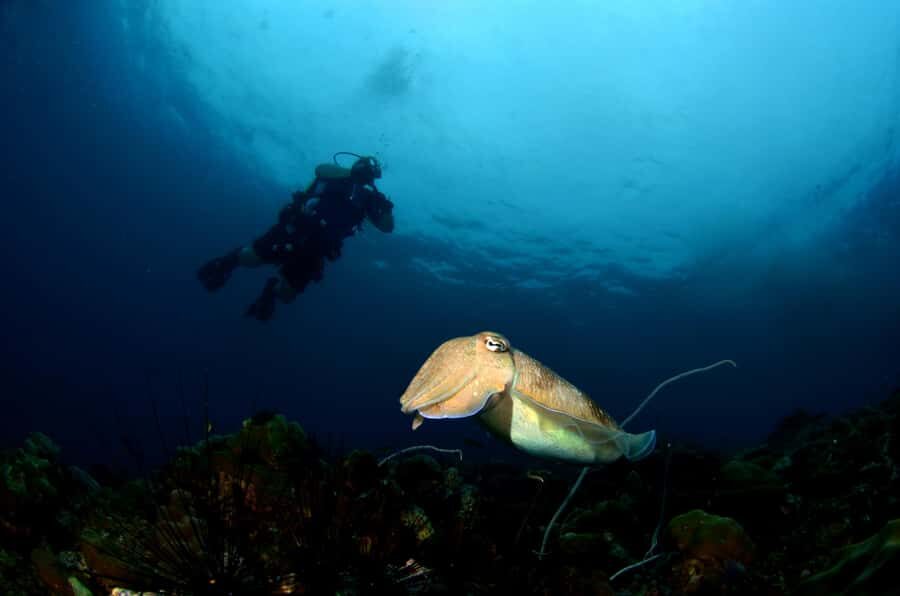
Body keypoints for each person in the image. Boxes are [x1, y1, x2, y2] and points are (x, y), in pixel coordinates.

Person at [197, 153, 395, 321]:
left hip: (317, 250)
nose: (367, 170)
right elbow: (320, 169)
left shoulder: (369, 199)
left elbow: (387, 227)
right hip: (295, 230)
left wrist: (385, 209)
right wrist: (351, 175)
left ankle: (270, 292)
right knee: (252, 258)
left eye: (371, 170)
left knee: (288, 295)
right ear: (356, 164)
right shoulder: (335, 174)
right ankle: (228, 261)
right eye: (365, 165)